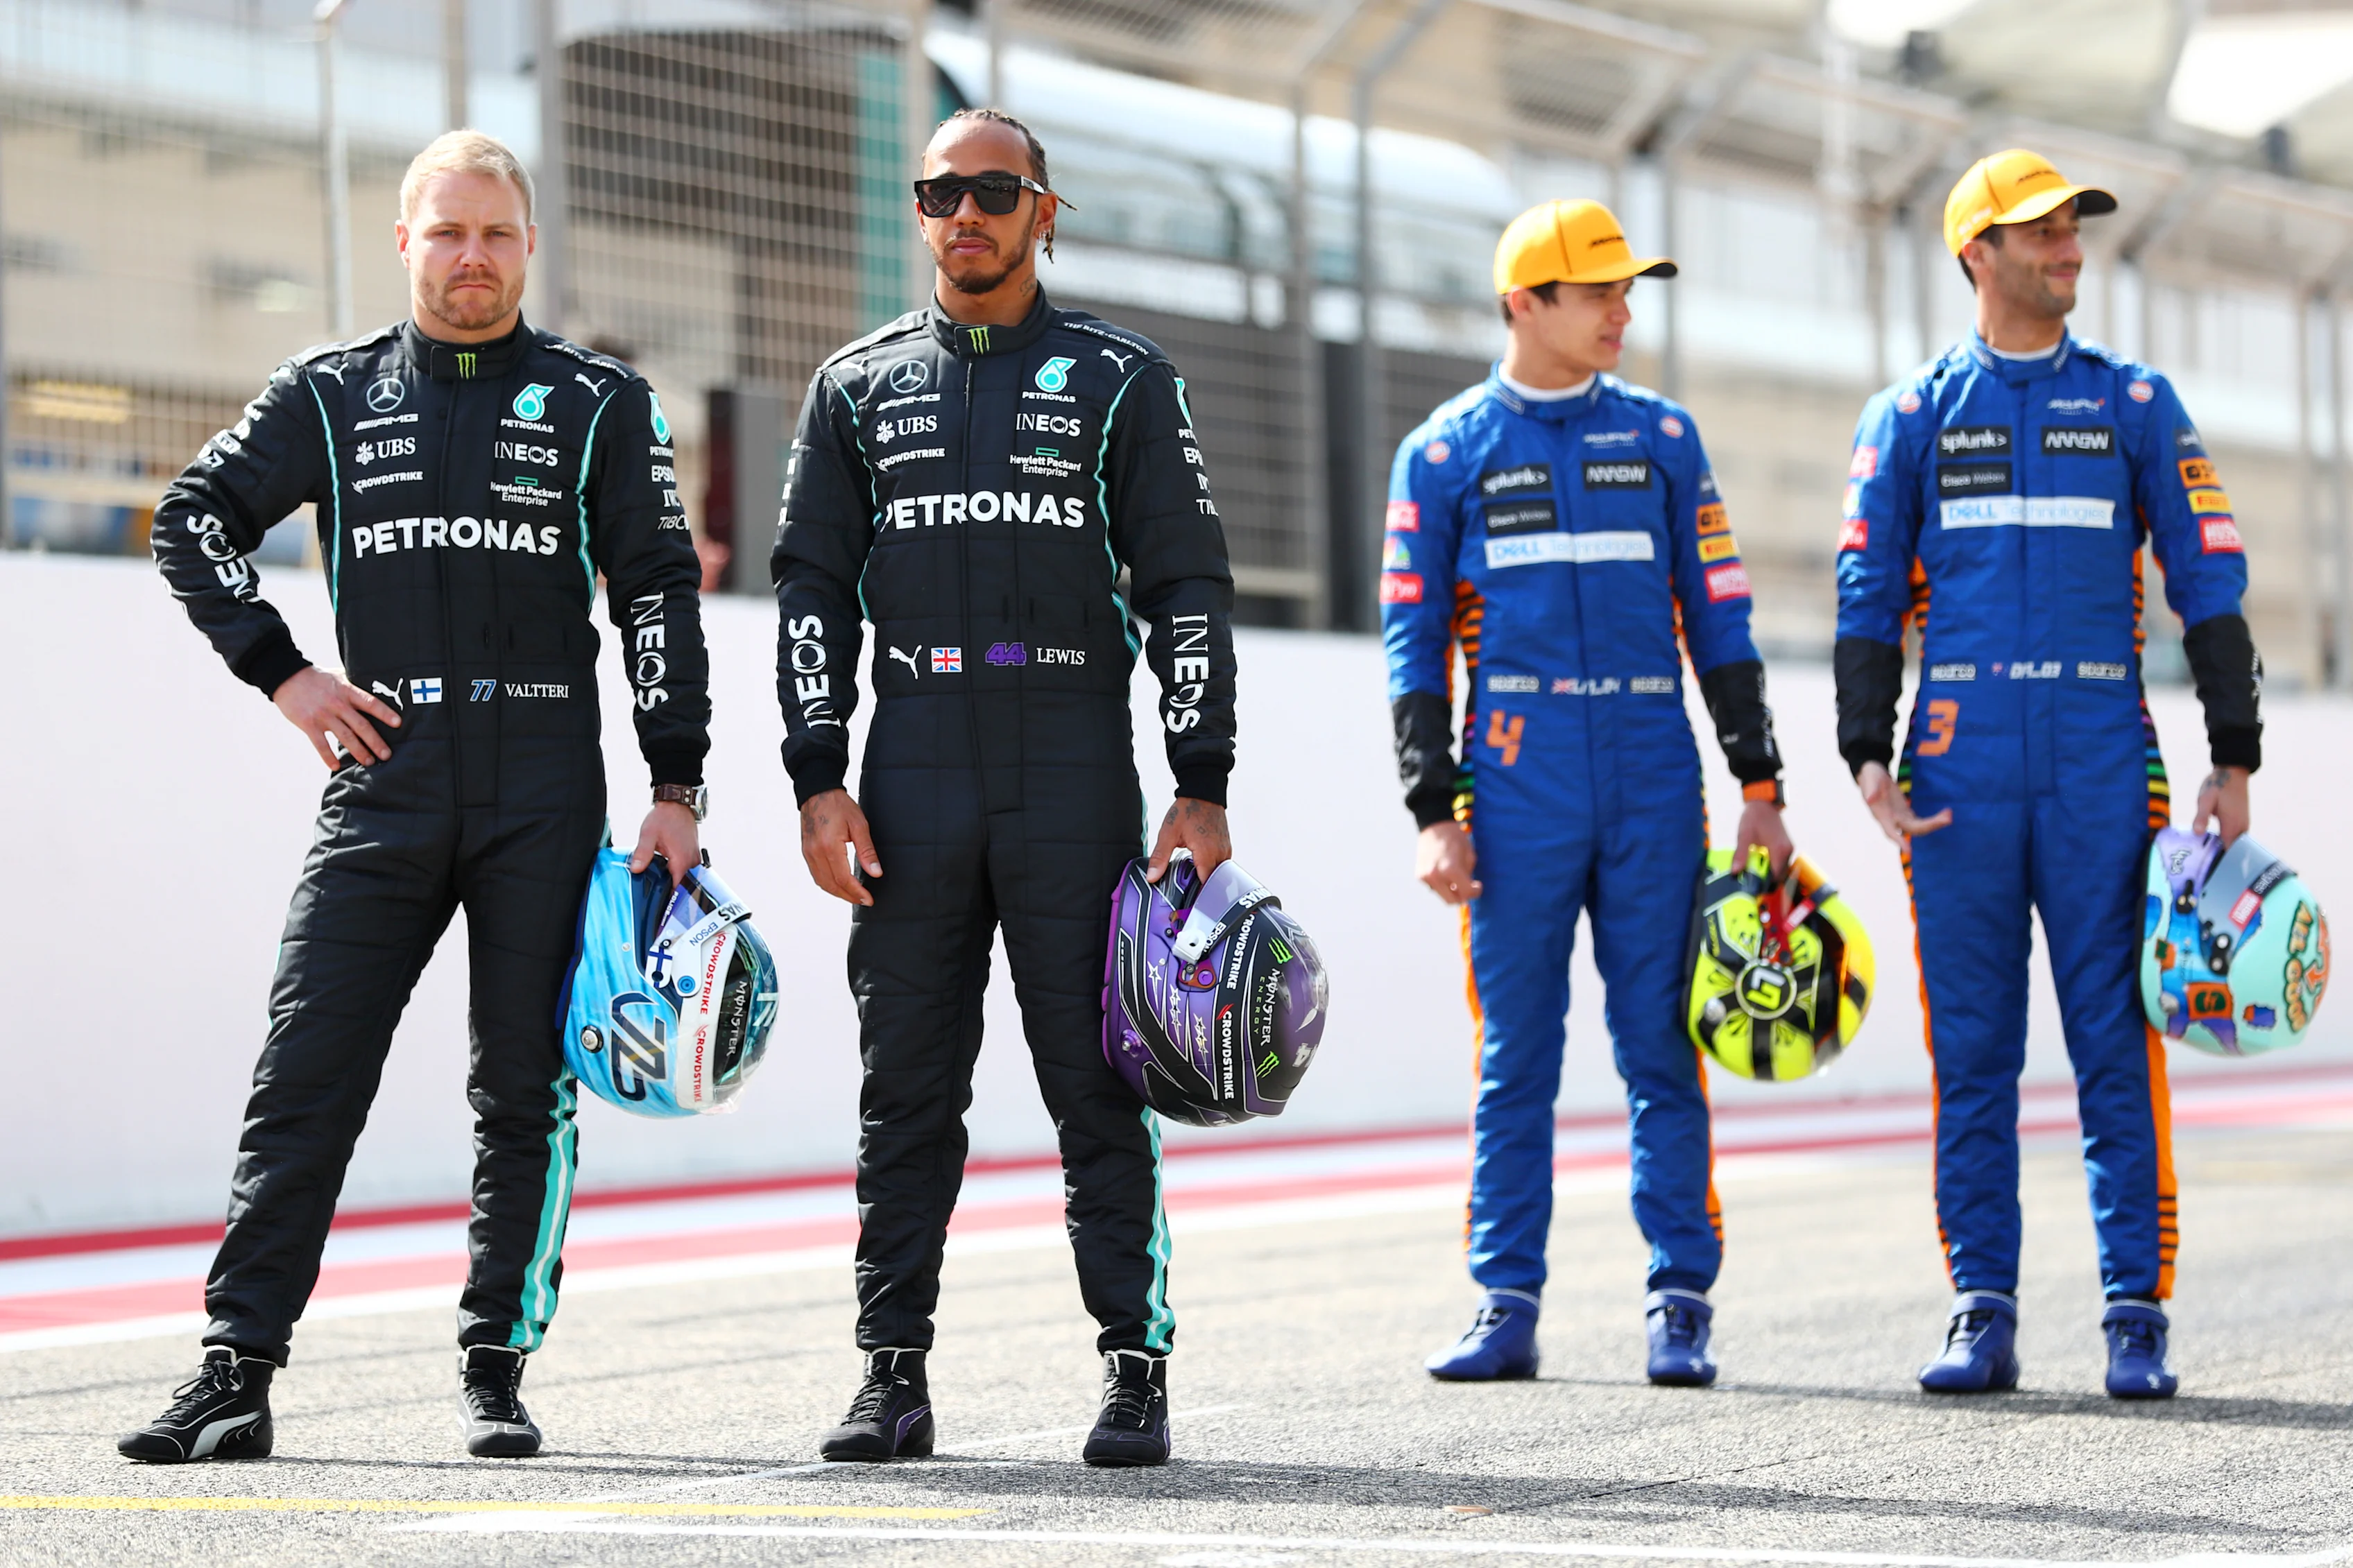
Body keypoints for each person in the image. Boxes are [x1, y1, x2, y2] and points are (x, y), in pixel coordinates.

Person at [123, 130, 710, 1463]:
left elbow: (658, 591)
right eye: (447, 232)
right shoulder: (329, 394)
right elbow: (190, 517)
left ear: (529, 246)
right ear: (406, 244)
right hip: (383, 781)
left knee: (523, 1088)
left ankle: (496, 1369)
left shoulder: (598, 402)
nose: (472, 257)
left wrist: (677, 783)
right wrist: (284, 676)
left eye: (497, 233)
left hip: (546, 784)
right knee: (306, 1068)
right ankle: (234, 1367)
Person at [773, 107, 1235, 1469]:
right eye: (939, 192)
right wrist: (815, 776)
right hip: (908, 754)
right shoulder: (853, 384)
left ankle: (1134, 1366)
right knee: (904, 1083)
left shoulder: (1121, 377)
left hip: (1068, 745)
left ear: (1044, 209)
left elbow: (1187, 587)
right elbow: (810, 590)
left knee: (1099, 1077)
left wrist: (1199, 781)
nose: (962, 213)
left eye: (991, 190)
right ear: (916, 211)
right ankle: (891, 1372)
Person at [1835, 149, 2263, 1399]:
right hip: (1958, 770)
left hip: (2100, 765)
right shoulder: (1909, 416)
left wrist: (2230, 752)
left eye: (2076, 225)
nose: (2069, 245)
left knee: (2116, 1046)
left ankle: (2137, 1310)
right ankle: (1983, 1309)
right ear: (1977, 252)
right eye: (2041, 230)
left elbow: (2209, 581)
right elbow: (1865, 597)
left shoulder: (2136, 404)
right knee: (1971, 1052)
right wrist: (1867, 752)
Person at [1385, 200, 1789, 1388]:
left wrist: (1760, 782)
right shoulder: (1445, 452)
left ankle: (1680, 1299)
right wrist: (1431, 809)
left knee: (1663, 1045)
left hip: (1657, 774)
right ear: (1524, 303)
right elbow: (1413, 648)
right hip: (1514, 784)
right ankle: (1504, 1300)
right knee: (1518, 1054)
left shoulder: (1666, 438)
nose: (1623, 312)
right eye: (1597, 291)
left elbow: (1722, 623)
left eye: (1629, 290)